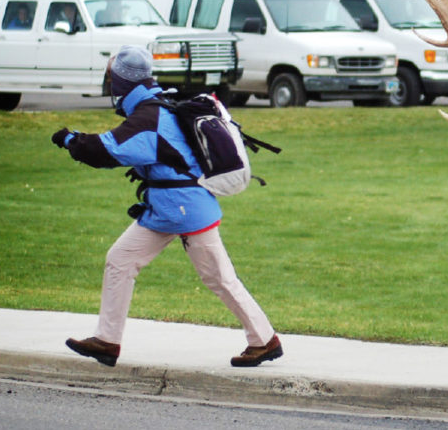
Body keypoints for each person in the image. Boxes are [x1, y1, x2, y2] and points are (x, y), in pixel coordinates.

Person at [51, 45, 282, 368]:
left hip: (183, 209)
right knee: (120, 259)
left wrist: (69, 140)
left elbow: (108, 151)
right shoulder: (155, 105)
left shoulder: (149, 116)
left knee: (219, 277)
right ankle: (107, 340)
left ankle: (264, 340)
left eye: (110, 78)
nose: (109, 86)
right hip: (168, 209)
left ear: (121, 83)